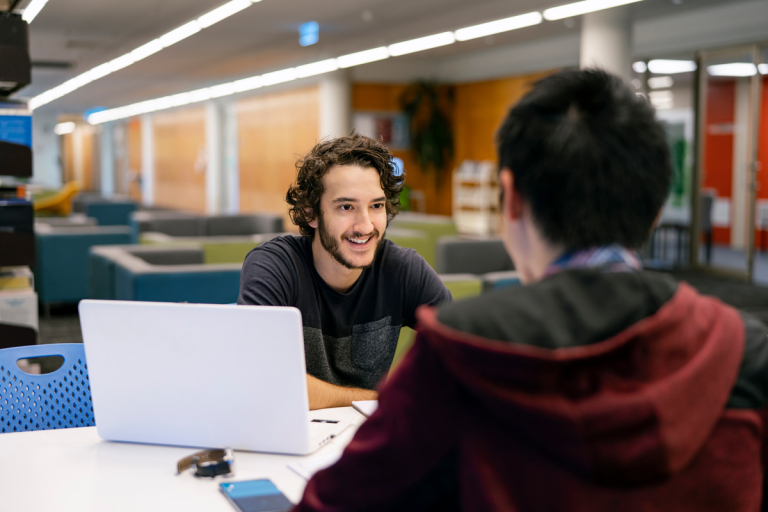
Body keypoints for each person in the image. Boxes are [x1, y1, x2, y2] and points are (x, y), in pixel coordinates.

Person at [293, 69, 768, 511]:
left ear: (511, 198)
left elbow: (335, 502)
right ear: (657, 208)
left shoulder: (465, 350)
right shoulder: (745, 349)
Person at [238, 134, 451, 410]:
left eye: (376, 206)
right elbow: (260, 377)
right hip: (291, 439)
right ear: (310, 213)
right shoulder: (275, 266)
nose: (365, 226)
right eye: (346, 207)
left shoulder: (402, 269)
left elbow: (464, 354)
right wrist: (380, 400)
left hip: (367, 439)